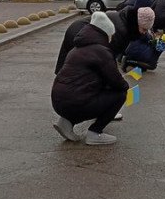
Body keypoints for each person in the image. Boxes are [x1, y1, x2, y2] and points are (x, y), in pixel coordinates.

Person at [51, 12, 129, 145]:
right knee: (120, 94)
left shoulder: (77, 48)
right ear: (105, 34)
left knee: (80, 94)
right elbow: (117, 82)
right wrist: (125, 84)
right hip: (75, 103)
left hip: (58, 101)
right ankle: (95, 132)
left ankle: (65, 123)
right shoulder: (101, 51)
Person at [55, 0, 151, 75]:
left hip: (76, 28)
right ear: (137, 24)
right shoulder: (122, 32)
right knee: (81, 71)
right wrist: (118, 82)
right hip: (78, 32)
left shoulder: (123, 18)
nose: (144, 32)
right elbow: (108, 59)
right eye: (144, 29)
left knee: (70, 67)